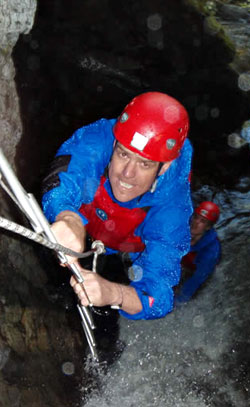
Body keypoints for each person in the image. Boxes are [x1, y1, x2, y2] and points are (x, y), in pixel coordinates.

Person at [41, 91, 193, 320]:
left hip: (119, 257)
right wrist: (67, 218)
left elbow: (159, 296)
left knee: (103, 314)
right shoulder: (97, 139)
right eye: (123, 154)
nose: (127, 174)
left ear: (164, 168)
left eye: (144, 164)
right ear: (114, 144)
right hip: (73, 229)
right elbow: (63, 177)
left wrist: (114, 293)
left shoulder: (172, 210)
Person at [175, 201, 221, 304]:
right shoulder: (180, 227)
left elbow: (197, 279)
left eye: (202, 221)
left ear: (208, 227)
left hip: (194, 271)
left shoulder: (210, 252)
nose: (196, 223)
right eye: (195, 217)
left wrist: (177, 302)